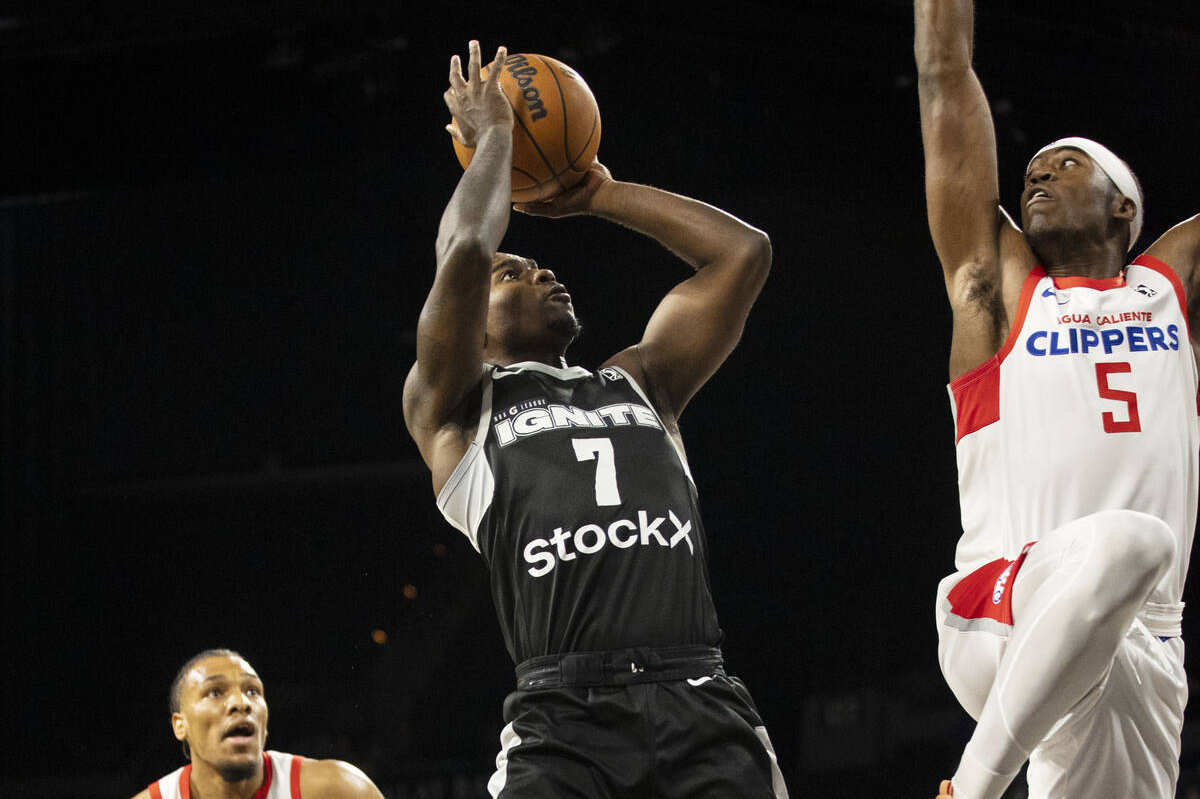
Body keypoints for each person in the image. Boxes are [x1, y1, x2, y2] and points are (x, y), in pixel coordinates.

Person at [402, 40, 787, 798]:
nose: (543, 268)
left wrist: (598, 196)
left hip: (700, 700)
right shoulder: (456, 410)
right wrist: (502, 139)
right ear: (472, 322)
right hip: (563, 719)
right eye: (516, 271)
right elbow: (465, 254)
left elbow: (742, 254)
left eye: (542, 264)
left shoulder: (642, 383)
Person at [914, 1, 1200, 798]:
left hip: (1146, 642)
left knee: (1134, 561)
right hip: (1000, 607)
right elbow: (944, 80)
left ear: (1125, 209)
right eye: (1034, 165)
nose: (1038, 172)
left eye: (1067, 164)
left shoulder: (1174, 291)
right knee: (1134, 543)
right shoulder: (1000, 293)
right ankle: (970, 788)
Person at [131, 649, 385, 799]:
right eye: (215, 692)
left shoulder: (337, 789)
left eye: (252, 691)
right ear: (180, 725)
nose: (241, 703)